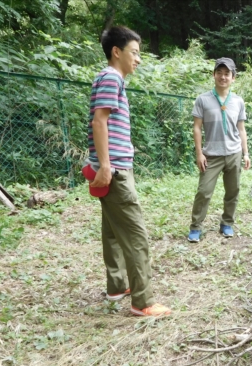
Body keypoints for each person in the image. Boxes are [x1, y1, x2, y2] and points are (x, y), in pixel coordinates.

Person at [85, 26, 171, 317]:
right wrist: (107, 166)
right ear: (116, 52)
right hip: (116, 171)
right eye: (135, 52)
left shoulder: (108, 79)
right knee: (136, 236)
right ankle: (142, 302)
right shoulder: (111, 77)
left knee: (112, 231)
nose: (139, 59)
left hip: (113, 168)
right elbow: (100, 122)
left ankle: (117, 286)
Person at [187, 57, 251, 242]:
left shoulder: (238, 101)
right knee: (204, 192)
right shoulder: (203, 99)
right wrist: (199, 153)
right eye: (219, 73)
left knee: (233, 191)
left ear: (233, 78)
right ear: (214, 75)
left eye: (227, 74)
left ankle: (227, 223)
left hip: (234, 153)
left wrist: (245, 153)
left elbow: (241, 129)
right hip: (211, 155)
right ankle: (196, 227)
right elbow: (197, 127)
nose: (223, 77)